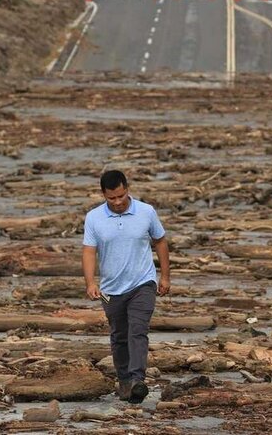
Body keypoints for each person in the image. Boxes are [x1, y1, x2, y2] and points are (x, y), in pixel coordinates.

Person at [82, 170, 170, 404]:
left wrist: (165, 276)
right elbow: (89, 251)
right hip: (111, 289)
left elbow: (160, 241)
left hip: (143, 282)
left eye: (121, 196)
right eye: (112, 198)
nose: (118, 202)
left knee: (138, 330)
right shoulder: (93, 218)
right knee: (119, 336)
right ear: (104, 195)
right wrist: (91, 282)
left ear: (127, 189)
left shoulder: (146, 212)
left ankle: (137, 379)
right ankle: (124, 382)